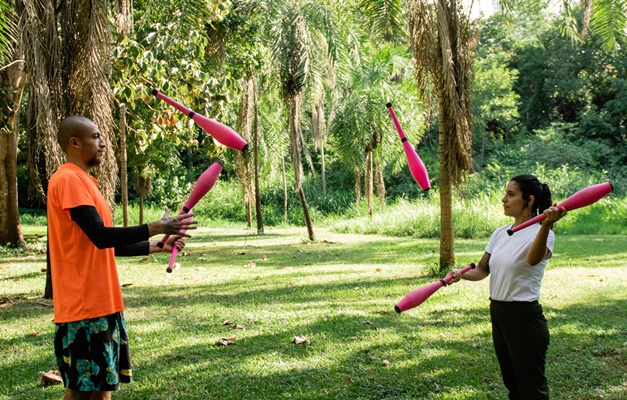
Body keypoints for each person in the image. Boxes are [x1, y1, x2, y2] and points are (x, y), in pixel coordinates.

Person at [47, 116, 198, 400]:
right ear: (74, 142)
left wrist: (153, 245)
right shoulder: (68, 179)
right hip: (84, 305)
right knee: (80, 392)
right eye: (95, 137)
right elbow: (100, 235)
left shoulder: (85, 182)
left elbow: (100, 245)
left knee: (104, 388)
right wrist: (158, 226)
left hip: (102, 302)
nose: (103, 143)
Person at [448, 174, 567, 400]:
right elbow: (482, 269)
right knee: (513, 384)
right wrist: (460, 274)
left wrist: (546, 225)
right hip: (499, 313)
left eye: (511, 195)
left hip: (524, 316)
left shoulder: (543, 234)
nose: (504, 199)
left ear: (529, 200)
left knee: (532, 389)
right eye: (506, 194)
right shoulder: (500, 233)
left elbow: (533, 259)